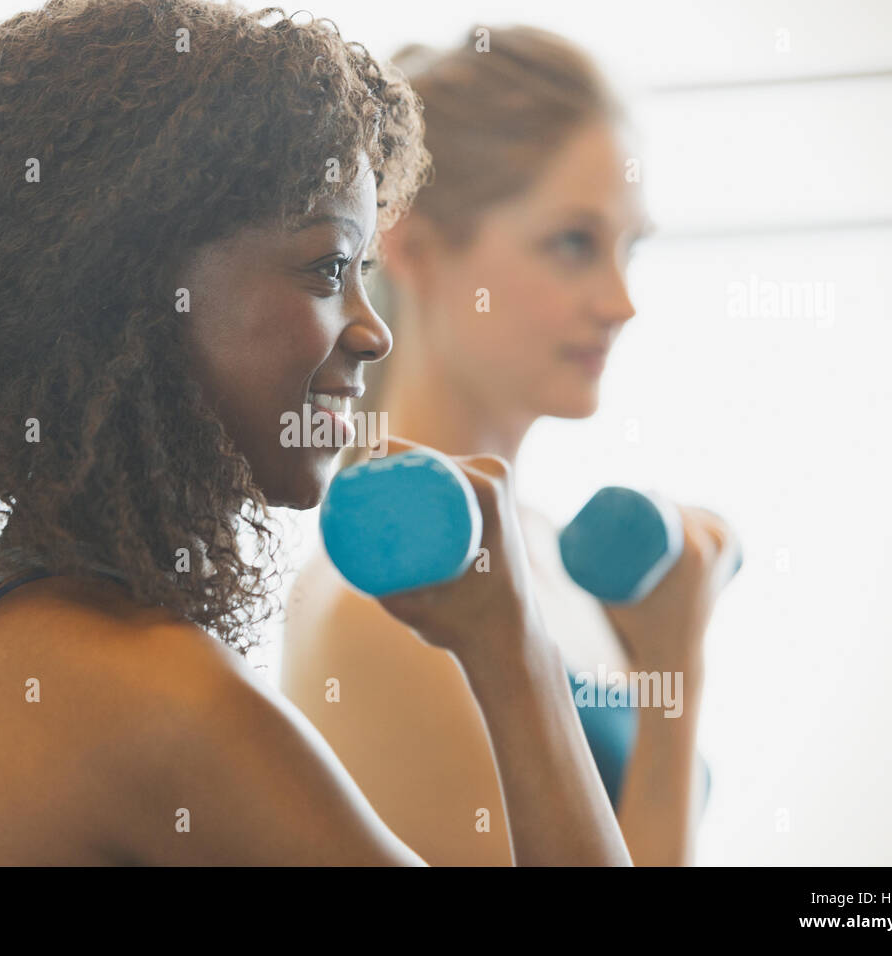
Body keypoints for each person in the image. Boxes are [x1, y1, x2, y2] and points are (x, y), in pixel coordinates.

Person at [0, 0, 631, 866]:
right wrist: (517, 659)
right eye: (325, 268)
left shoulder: (36, 629)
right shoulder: (135, 694)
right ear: (141, 297)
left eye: (363, 271)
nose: (372, 327)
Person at [281, 26, 734, 866]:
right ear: (411, 245)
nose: (621, 301)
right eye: (573, 243)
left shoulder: (554, 549)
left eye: (629, 247)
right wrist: (674, 682)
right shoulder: (386, 606)